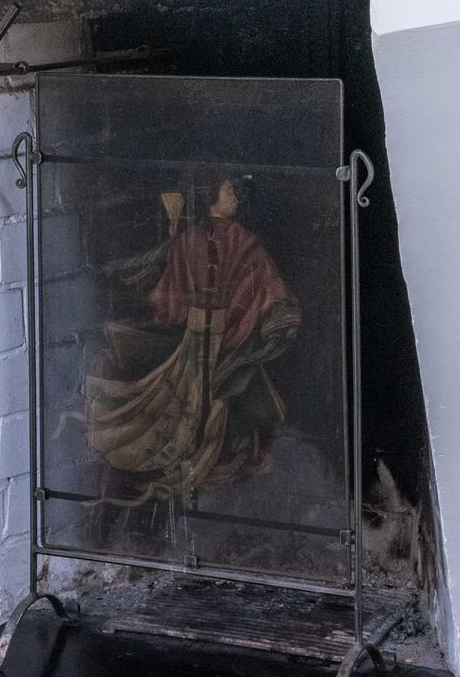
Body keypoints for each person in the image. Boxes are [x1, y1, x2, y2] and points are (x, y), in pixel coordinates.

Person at [82, 176, 302, 501]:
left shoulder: (243, 241)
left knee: (236, 390)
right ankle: (181, 458)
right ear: (211, 194)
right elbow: (171, 297)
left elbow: (265, 281)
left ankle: (217, 459)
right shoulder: (191, 239)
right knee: (178, 400)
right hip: (194, 340)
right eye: (229, 191)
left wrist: (276, 310)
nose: (235, 198)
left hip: (230, 338)